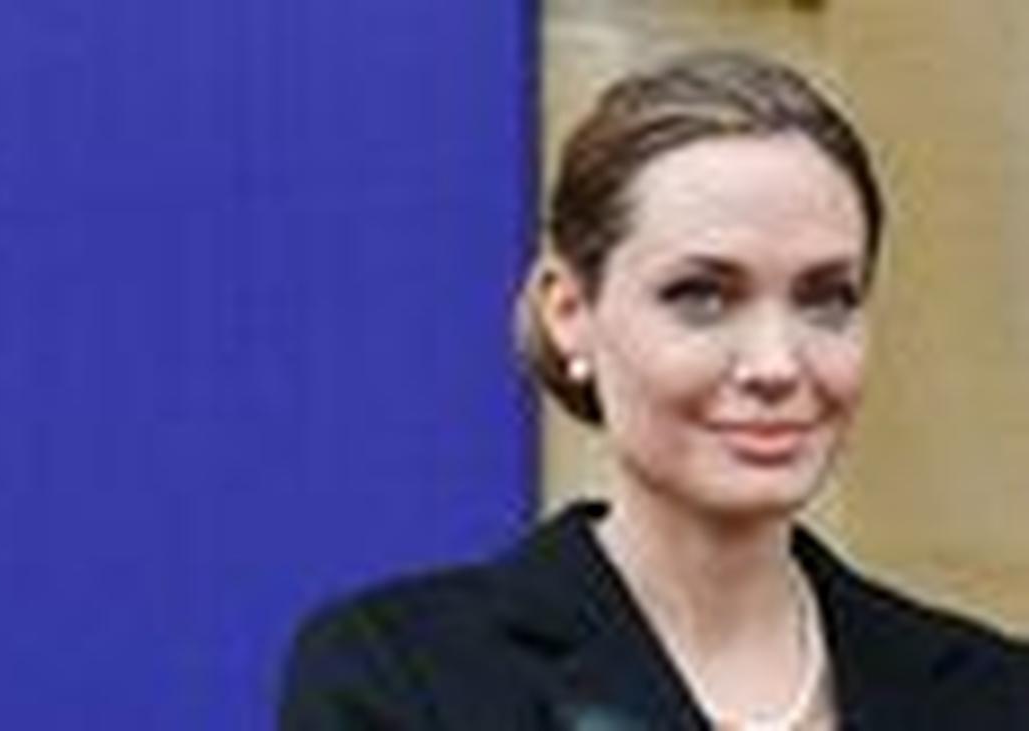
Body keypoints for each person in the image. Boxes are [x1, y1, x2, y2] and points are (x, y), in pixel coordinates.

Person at [278, 50, 1029, 730]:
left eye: (825, 298)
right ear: (569, 312)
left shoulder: (994, 695)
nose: (775, 364)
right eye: (702, 296)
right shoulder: (405, 677)